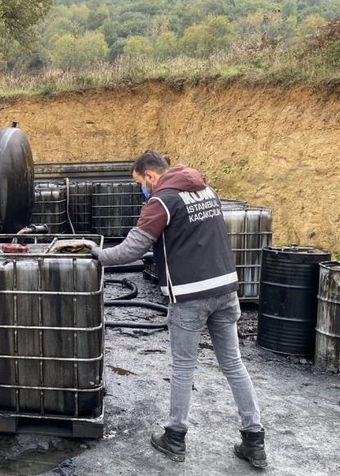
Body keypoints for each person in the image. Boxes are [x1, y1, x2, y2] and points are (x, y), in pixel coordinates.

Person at [91, 150, 267, 468]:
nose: (141, 190)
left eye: (139, 183)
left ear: (150, 176)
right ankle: (254, 441)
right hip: (226, 291)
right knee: (234, 365)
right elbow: (191, 236)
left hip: (190, 296)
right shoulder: (204, 190)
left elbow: (133, 247)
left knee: (183, 369)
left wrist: (97, 255)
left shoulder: (161, 201)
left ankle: (174, 438)